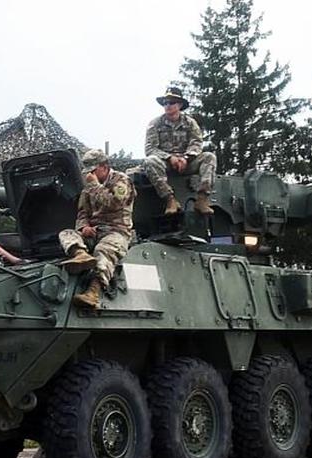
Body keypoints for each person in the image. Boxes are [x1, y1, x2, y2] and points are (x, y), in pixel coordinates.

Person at [60, 149, 136, 309]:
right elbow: (82, 213)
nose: (90, 175)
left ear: (104, 166)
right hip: (95, 231)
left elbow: (115, 203)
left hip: (117, 231)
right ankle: (80, 255)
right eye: (87, 171)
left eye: (93, 170)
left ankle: (93, 291)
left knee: (104, 250)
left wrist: (94, 186)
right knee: (66, 233)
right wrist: (84, 227)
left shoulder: (122, 181)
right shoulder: (88, 188)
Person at [143, 86, 217, 216]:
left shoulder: (190, 123)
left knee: (209, 157)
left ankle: (202, 199)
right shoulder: (155, 124)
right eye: (165, 103)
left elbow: (197, 143)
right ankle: (170, 200)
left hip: (188, 163)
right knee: (150, 161)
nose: (168, 106)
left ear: (180, 105)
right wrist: (169, 158)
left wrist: (186, 158)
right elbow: (150, 148)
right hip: (165, 164)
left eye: (171, 102)